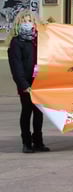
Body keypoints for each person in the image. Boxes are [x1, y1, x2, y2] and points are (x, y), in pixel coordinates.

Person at [8, 10, 49, 153]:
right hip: (26, 83)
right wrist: (23, 85)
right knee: (27, 111)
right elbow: (16, 65)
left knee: (39, 112)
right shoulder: (17, 42)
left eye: (30, 20)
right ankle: (26, 142)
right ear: (19, 23)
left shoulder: (37, 40)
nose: (28, 23)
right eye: (24, 21)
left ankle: (38, 141)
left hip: (39, 81)